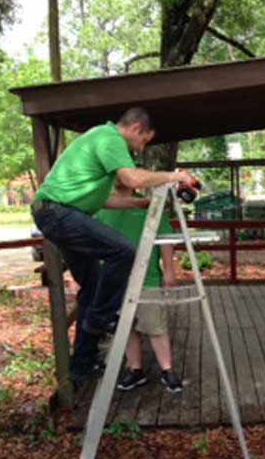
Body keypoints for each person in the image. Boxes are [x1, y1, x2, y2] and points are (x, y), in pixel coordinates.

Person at [31, 107, 193, 386]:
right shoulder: (110, 138)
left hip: (57, 214)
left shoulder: (99, 140)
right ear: (137, 129)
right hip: (59, 214)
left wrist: (141, 203)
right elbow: (132, 179)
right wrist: (174, 176)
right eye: (144, 141)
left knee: (92, 288)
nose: (141, 149)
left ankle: (81, 365)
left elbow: (105, 201)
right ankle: (102, 318)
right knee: (124, 251)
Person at [95, 183, 182, 392]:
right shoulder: (101, 206)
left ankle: (167, 370)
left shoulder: (149, 205)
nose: (120, 178)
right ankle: (135, 369)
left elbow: (165, 240)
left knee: (155, 325)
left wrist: (169, 270)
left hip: (147, 277)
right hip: (115, 280)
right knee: (126, 326)